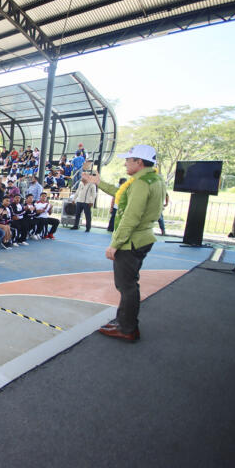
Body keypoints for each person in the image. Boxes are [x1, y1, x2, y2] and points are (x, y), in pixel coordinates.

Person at [82, 144, 166, 342]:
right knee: (129, 284)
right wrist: (99, 183)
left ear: (139, 161)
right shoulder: (153, 179)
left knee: (126, 287)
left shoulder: (140, 183)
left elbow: (131, 217)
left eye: (128, 160)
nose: (125, 163)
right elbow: (123, 194)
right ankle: (123, 321)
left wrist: (115, 244)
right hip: (143, 237)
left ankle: (127, 328)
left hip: (131, 242)